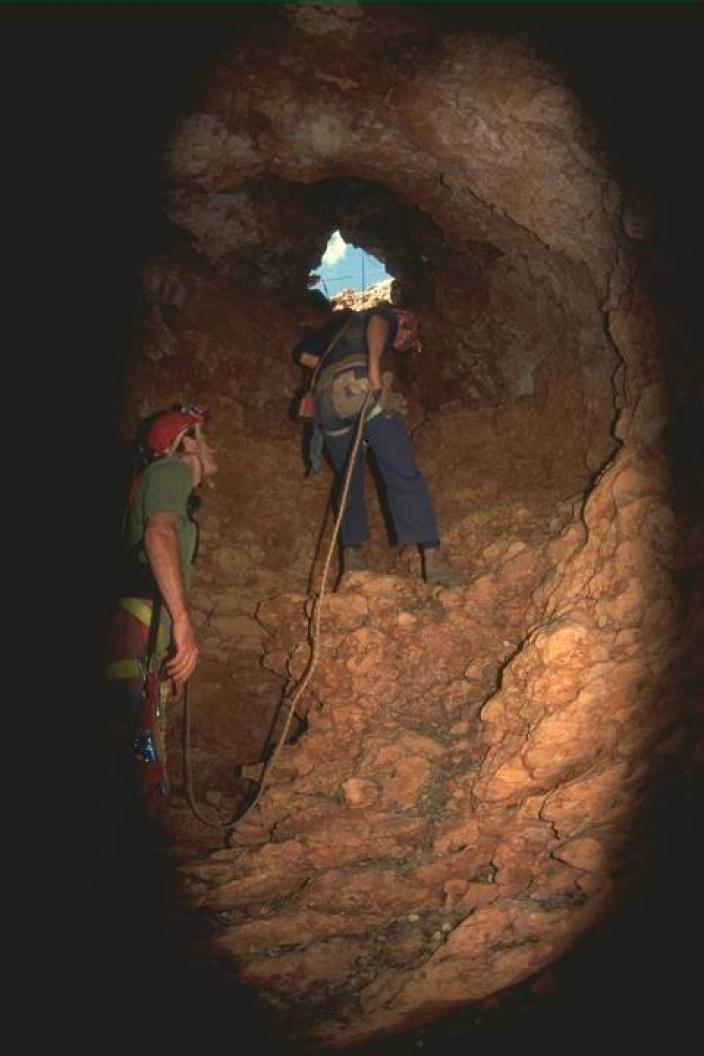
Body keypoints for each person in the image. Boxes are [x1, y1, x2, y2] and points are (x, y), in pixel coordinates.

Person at [294, 303, 463, 586]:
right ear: (405, 323)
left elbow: (305, 356)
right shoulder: (386, 316)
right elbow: (377, 321)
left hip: (327, 402)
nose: (401, 345)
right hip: (360, 388)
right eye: (407, 339)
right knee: (401, 470)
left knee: (348, 477)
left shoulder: (338, 328)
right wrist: (372, 368)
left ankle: (353, 557)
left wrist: (335, 371)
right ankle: (432, 557)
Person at [101, 403, 217, 808]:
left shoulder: (156, 481)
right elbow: (158, 534)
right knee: (140, 748)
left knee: (139, 741)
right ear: (186, 443)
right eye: (204, 438)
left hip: (142, 622)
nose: (212, 449)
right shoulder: (171, 471)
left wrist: (174, 639)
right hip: (143, 620)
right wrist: (182, 623)